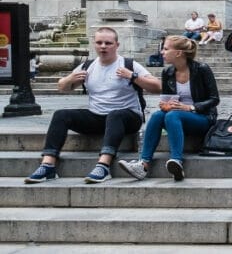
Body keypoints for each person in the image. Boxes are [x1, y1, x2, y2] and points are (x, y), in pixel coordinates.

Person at [24, 27, 161, 185]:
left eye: (108, 43)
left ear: (117, 45)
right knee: (61, 115)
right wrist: (70, 79)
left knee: (115, 114)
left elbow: (157, 86)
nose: (103, 46)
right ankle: (48, 165)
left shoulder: (129, 64)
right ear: (94, 45)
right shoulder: (88, 66)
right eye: (99, 42)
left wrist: (132, 76)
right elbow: (62, 87)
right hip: (97, 117)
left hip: (128, 117)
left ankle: (103, 166)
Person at [117, 35, 219, 182]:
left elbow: (214, 99)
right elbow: (166, 100)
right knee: (158, 115)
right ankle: (143, 164)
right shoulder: (168, 72)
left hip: (202, 118)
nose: (162, 52)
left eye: (165, 49)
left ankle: (176, 161)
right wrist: (165, 105)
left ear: (178, 53)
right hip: (177, 118)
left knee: (172, 116)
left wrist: (190, 107)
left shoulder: (201, 69)